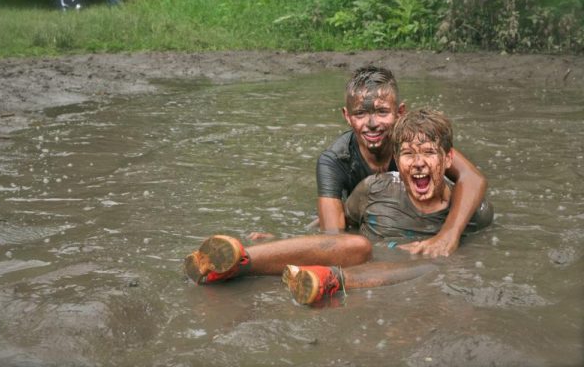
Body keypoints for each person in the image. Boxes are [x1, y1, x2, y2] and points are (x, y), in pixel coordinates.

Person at [184, 109, 493, 305]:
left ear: (448, 159)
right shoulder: (375, 189)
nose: (420, 163)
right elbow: (332, 229)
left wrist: (448, 238)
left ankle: (327, 281)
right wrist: (281, 239)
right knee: (356, 244)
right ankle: (235, 261)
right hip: (364, 255)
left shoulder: (471, 213)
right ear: (398, 161)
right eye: (410, 154)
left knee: (431, 266)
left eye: (429, 153)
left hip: (389, 273)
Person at [316, 66, 488, 257]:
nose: (372, 124)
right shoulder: (335, 160)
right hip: (364, 216)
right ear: (347, 116)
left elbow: (472, 177)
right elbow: (333, 238)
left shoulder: (416, 142)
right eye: (360, 114)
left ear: (400, 112)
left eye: (382, 112)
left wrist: (448, 235)